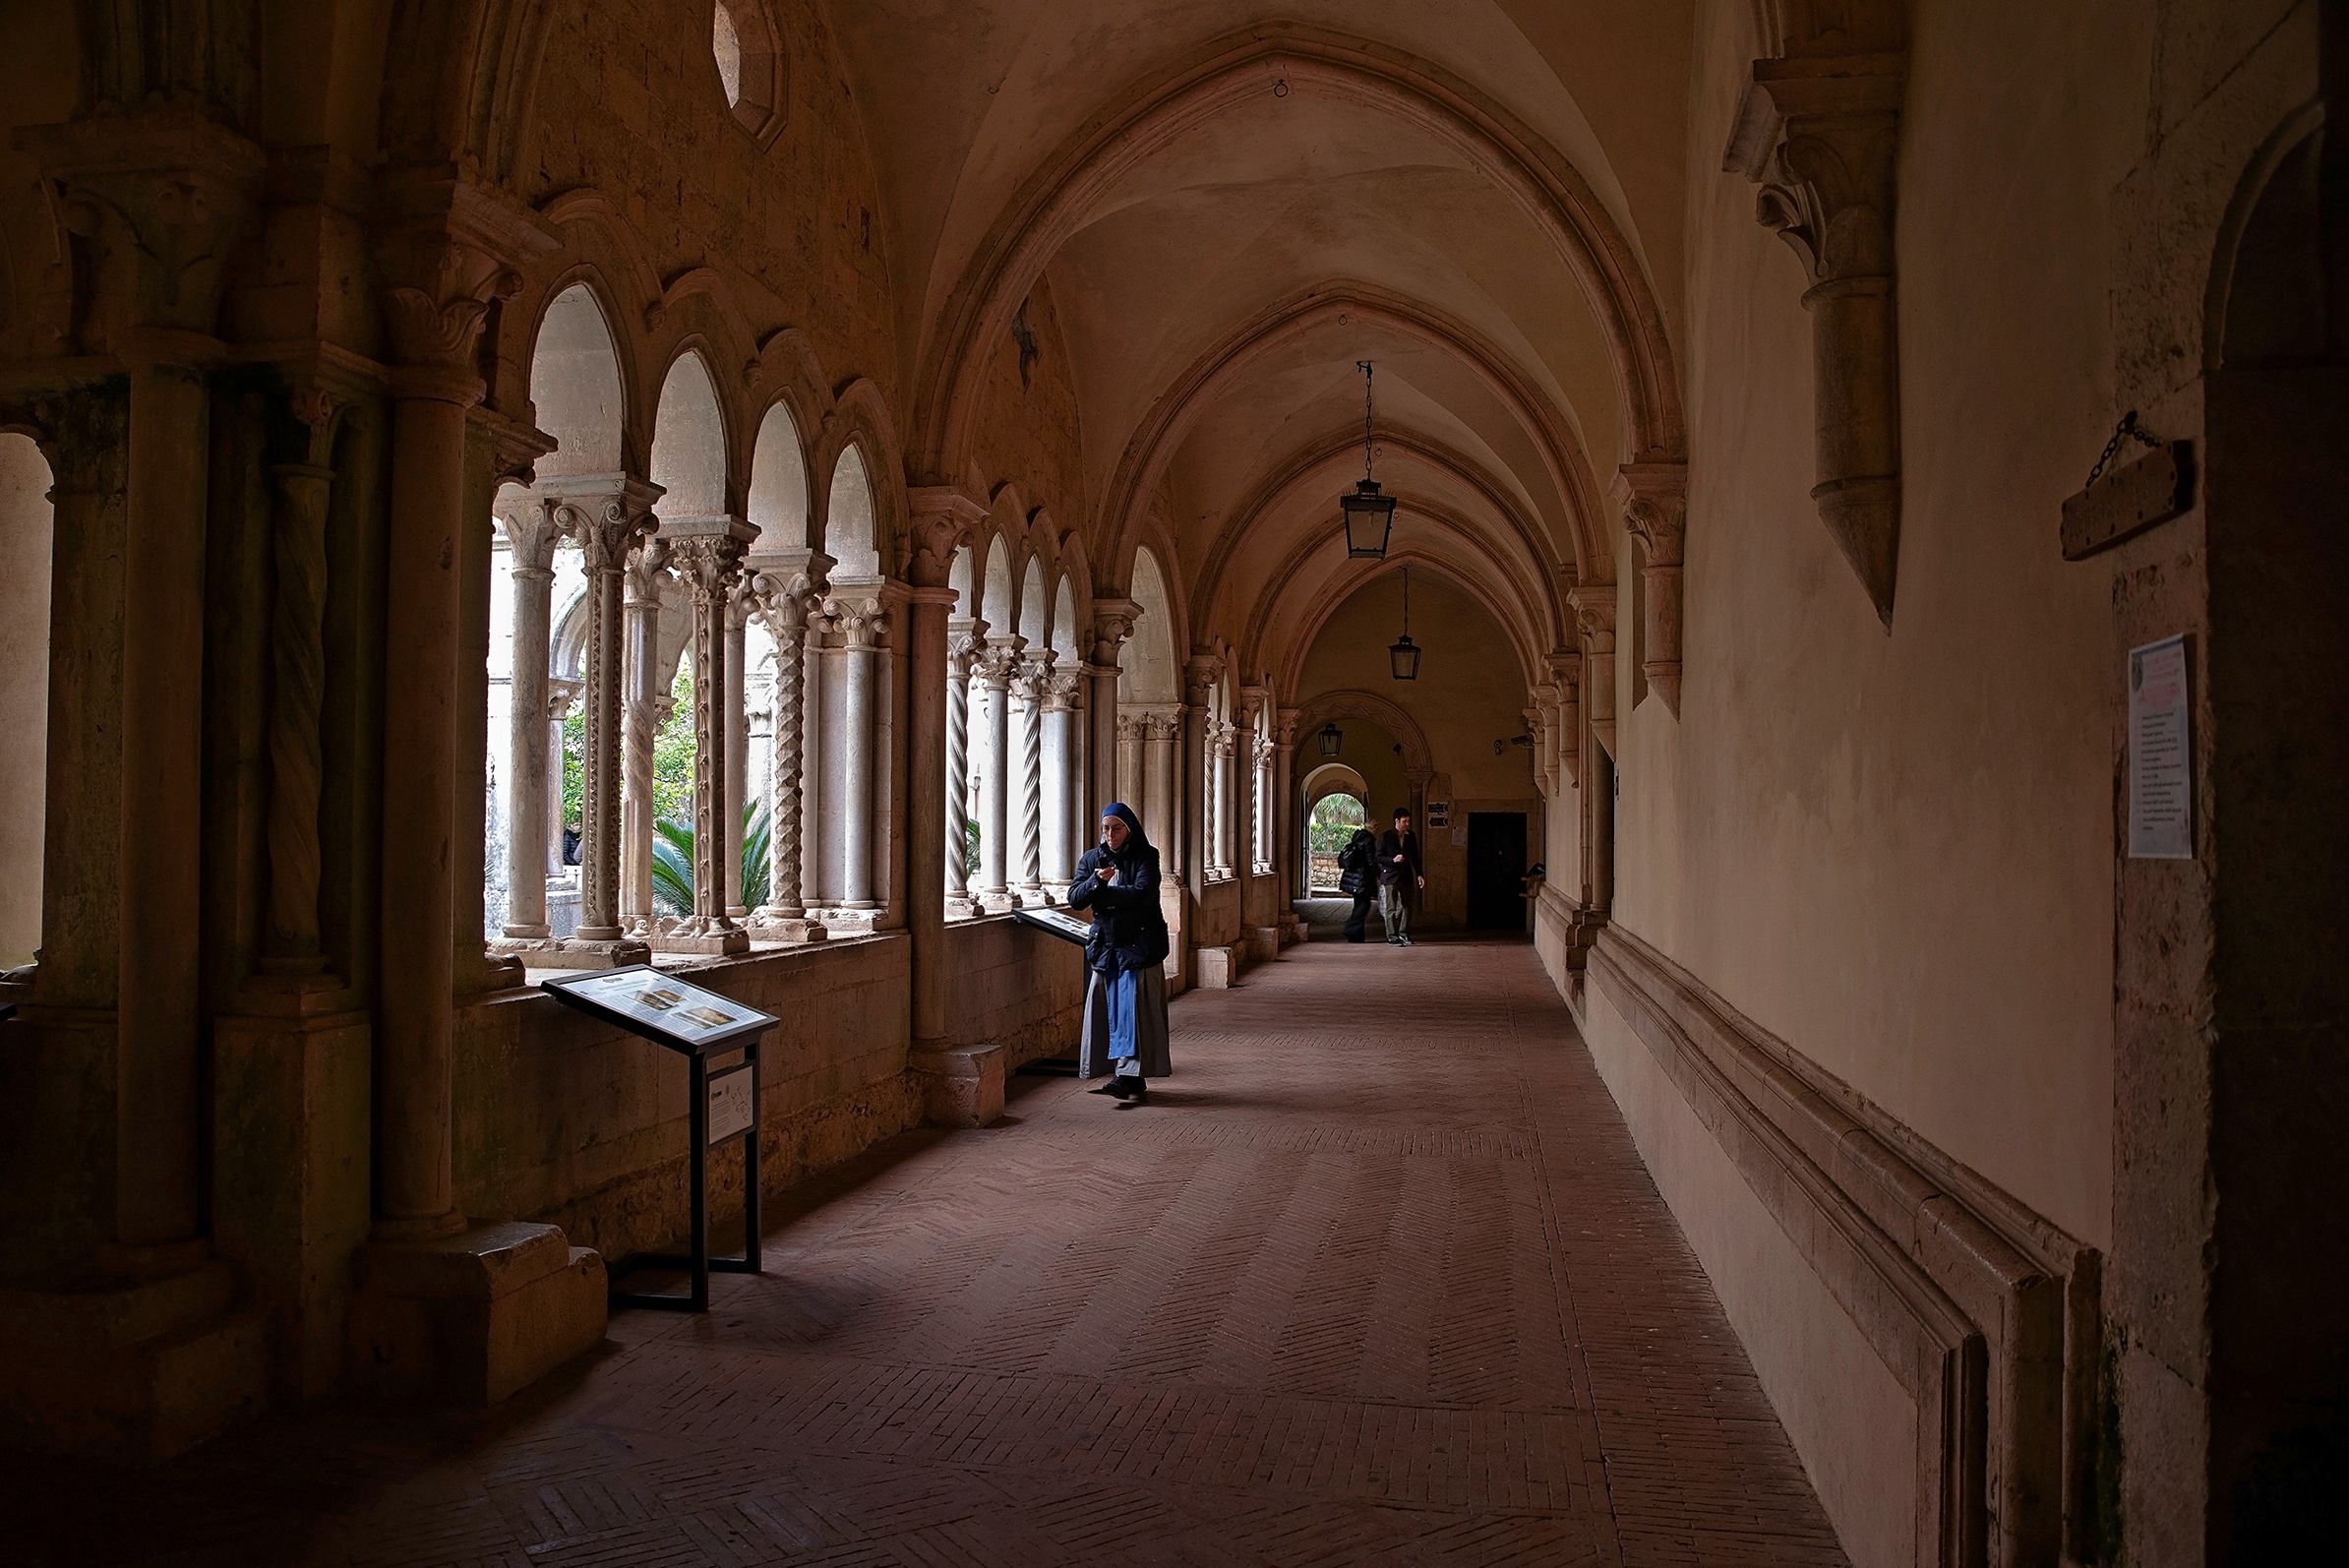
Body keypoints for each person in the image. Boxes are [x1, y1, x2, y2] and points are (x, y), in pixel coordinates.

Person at [1069, 802, 1172, 1105]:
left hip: (1138, 946)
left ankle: (1126, 1076)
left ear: (1129, 829)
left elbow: (1143, 895)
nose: (1110, 835)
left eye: (1116, 828)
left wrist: (1101, 894)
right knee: (1109, 1008)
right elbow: (1075, 898)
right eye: (1105, 829)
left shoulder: (1146, 856)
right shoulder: (1092, 860)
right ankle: (1125, 1076)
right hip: (1106, 946)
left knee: (1133, 1009)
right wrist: (1096, 882)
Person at [1377, 806, 1423, 946]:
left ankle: (1404, 933)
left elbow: (1415, 856)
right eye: (1405, 821)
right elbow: (1378, 857)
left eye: (1408, 821)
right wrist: (1392, 860)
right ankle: (1392, 936)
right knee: (1391, 909)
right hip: (1391, 877)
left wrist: (1420, 874)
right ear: (1396, 821)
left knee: (1408, 907)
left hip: (1406, 876)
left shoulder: (1411, 836)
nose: (1407, 824)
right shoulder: (1385, 837)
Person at [1338, 821, 1379, 942]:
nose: (1376, 830)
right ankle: (1350, 928)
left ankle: (1357, 937)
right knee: (1364, 905)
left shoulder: (1357, 838)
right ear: (1371, 828)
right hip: (1362, 878)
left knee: (1359, 904)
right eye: (1375, 827)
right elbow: (1371, 861)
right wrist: (1378, 875)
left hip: (1353, 877)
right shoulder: (1368, 840)